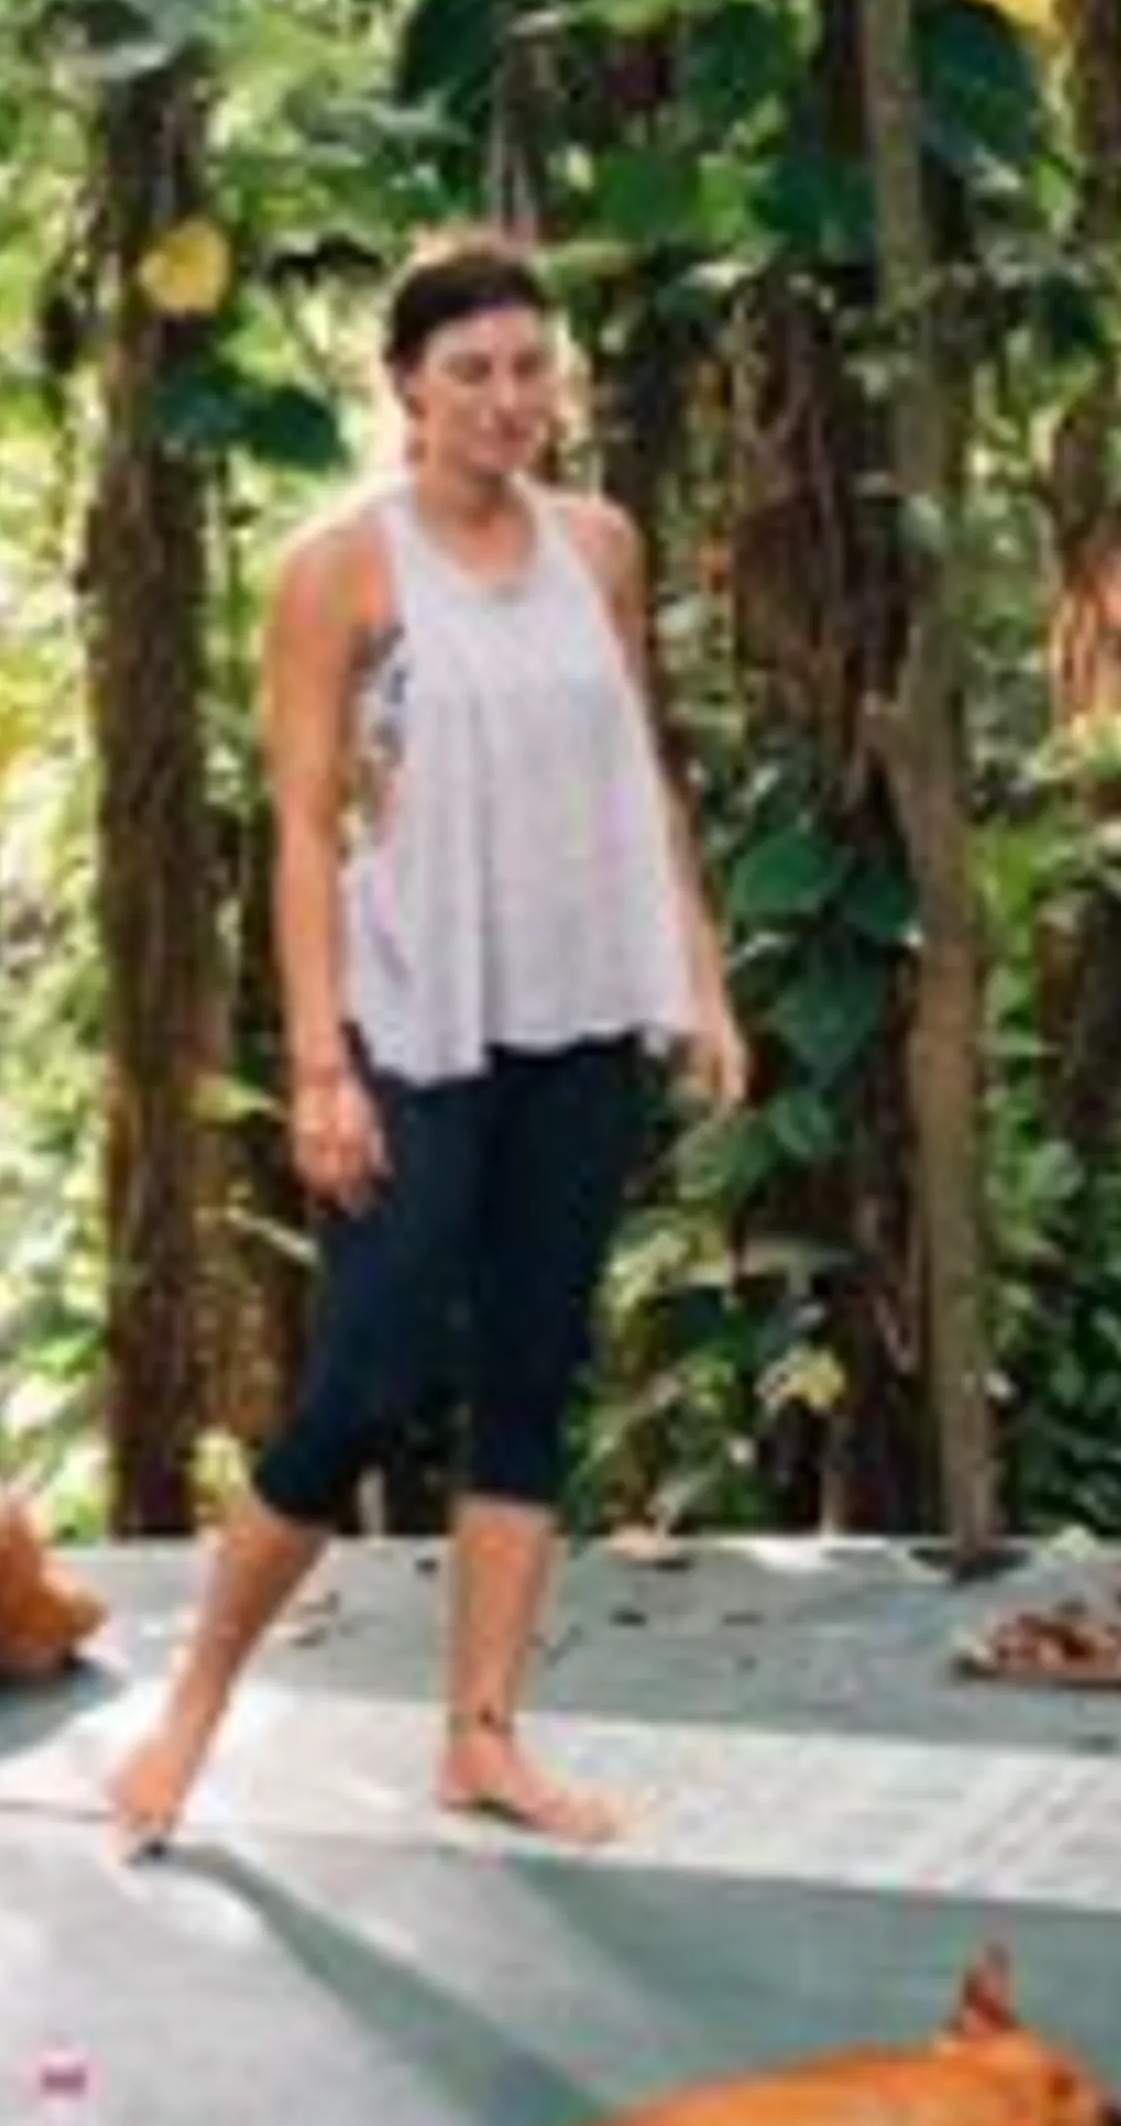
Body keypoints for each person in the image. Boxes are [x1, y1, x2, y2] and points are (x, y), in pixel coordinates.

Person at [107, 234, 747, 1854]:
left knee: (533, 1369)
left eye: (531, 368)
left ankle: (482, 1737)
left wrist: (703, 980)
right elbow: (307, 825)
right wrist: (320, 1060)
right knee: (369, 1372)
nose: (507, 400)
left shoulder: (598, 542)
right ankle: (186, 1713)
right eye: (471, 370)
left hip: (581, 1008)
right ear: (405, 386)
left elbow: (644, 778)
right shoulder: (345, 566)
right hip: (415, 1016)